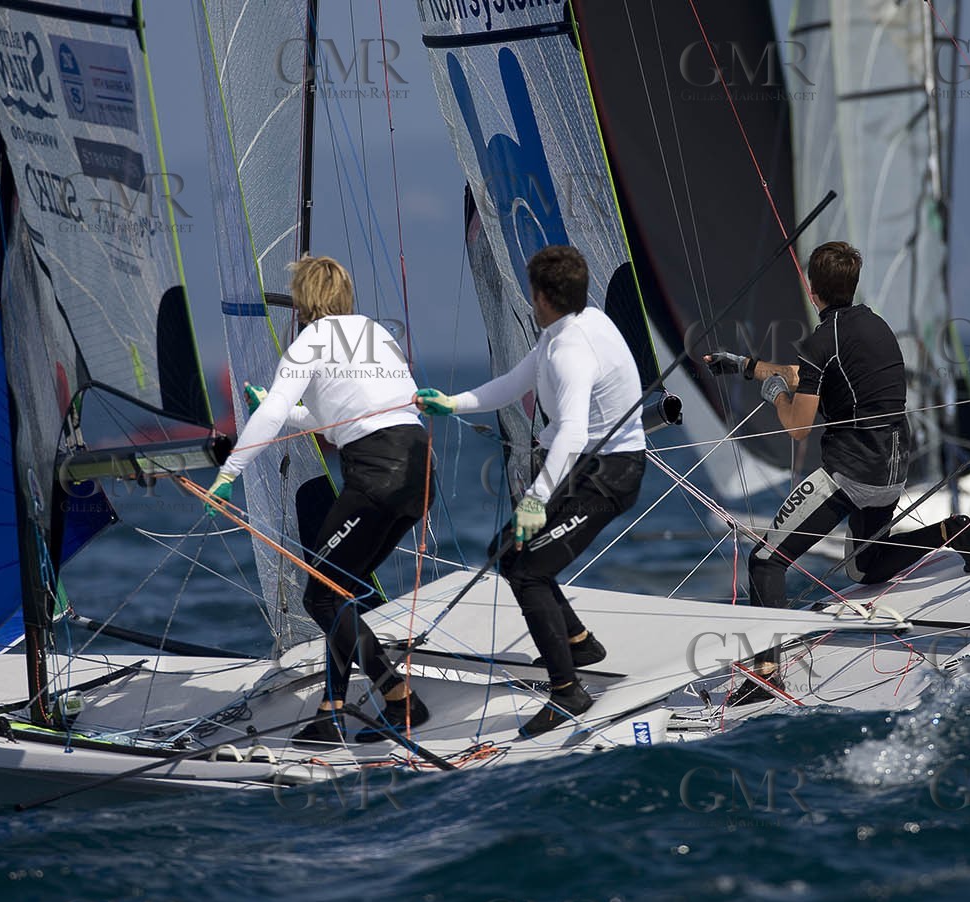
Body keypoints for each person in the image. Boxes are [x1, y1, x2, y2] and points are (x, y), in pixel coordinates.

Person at [705, 240, 970, 705]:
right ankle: (950, 532)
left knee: (765, 561)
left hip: (851, 474)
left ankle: (765, 676)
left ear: (811, 290)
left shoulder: (822, 339)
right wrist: (748, 367)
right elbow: (810, 373)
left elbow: (797, 427)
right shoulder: (874, 326)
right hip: (893, 467)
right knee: (864, 566)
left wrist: (772, 392)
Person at [413, 245, 646, 737]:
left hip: (607, 475)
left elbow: (573, 434)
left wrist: (536, 500)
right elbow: (514, 382)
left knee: (528, 569)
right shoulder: (566, 330)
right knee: (508, 550)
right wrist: (451, 404)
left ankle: (567, 692)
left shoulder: (571, 351)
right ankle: (579, 643)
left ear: (540, 296)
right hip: (584, 468)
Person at [207, 256, 434, 746]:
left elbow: (271, 416)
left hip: (377, 473)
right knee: (341, 592)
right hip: (418, 470)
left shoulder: (309, 341)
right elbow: (338, 416)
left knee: (321, 595)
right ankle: (329, 714)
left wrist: (228, 475)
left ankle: (399, 697)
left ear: (304, 301)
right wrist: (279, 406)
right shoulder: (375, 333)